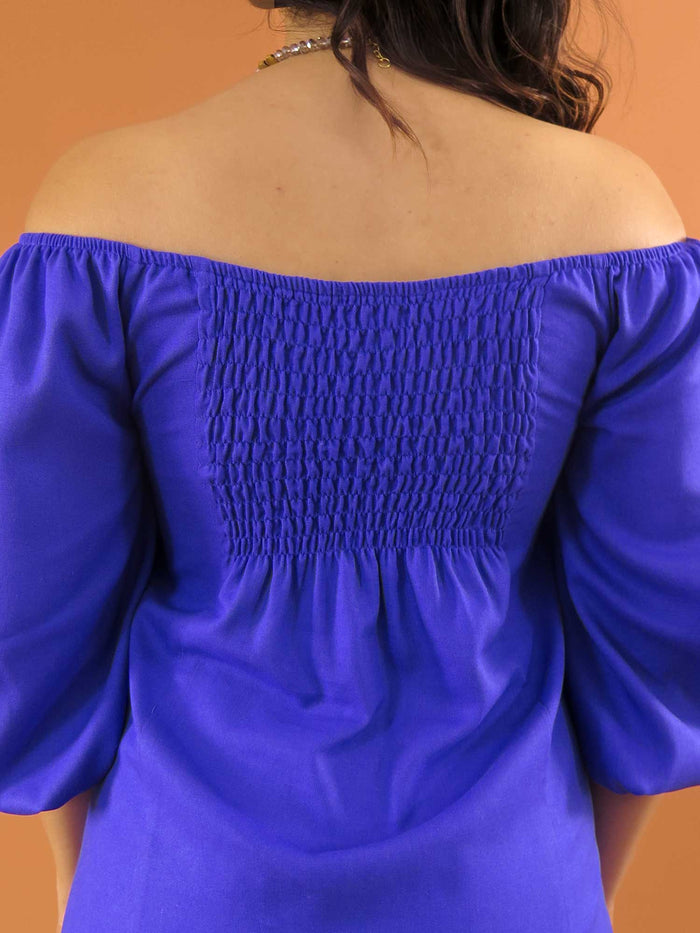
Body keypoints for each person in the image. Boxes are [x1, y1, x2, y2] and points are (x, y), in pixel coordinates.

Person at [1, 1, 698, 931]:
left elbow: (33, 621)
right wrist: (565, 886)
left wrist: (85, 880)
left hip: (175, 879)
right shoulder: (619, 223)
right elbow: (661, 639)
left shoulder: (104, 207)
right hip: (510, 883)